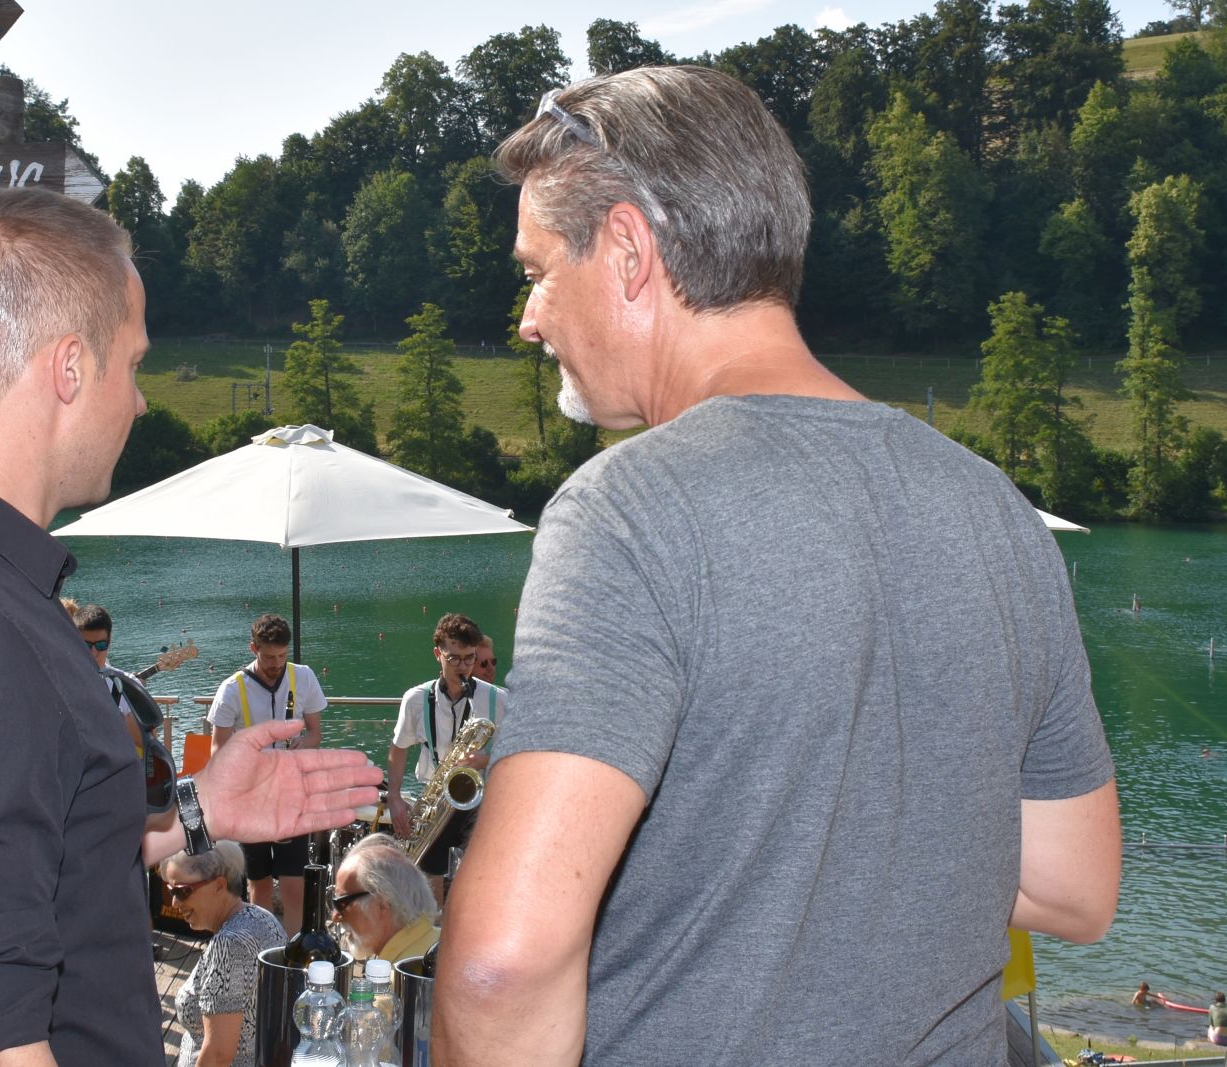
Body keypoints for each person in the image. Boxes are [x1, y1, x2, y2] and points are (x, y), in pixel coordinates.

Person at [436, 67, 1121, 1066]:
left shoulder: (629, 511)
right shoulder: (998, 511)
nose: (529, 319)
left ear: (627, 250)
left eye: (536, 271)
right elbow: (1074, 885)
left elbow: (504, 968)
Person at [0, 187, 380, 1067]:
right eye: (131, 365)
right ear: (68, 367)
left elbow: (29, 846)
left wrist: (200, 811)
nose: (139, 402)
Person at [207, 612, 327, 934]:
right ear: (254, 649)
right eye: (269, 657)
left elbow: (315, 733)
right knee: (258, 885)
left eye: (282, 656)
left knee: (294, 885)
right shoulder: (232, 689)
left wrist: (302, 744)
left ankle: (292, 951)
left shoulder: (303, 677)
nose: (276, 664)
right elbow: (218, 750)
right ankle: (263, 949)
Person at [387, 613, 504, 901]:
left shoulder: (498, 699)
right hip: (434, 800)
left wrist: (486, 760)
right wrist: (395, 797)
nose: (463, 667)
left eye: (470, 658)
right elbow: (399, 748)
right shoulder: (416, 699)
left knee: (480, 885)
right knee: (429, 888)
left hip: (481, 802)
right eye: (454, 659)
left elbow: (517, 751)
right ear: (437, 654)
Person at [162, 843, 285, 1067]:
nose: (175, 902)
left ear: (219, 885)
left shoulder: (229, 945)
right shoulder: (262, 917)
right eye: (171, 890)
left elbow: (218, 1055)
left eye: (182, 891)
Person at [330, 833, 439, 964]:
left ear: (382, 903)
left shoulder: (401, 973)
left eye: (342, 903)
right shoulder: (441, 942)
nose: (335, 917)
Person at [74, 601, 146, 751]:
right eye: (86, 645)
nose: (94, 653)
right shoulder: (60, 683)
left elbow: (147, 743)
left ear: (109, 642)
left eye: (101, 645)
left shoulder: (128, 684)